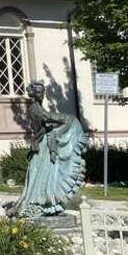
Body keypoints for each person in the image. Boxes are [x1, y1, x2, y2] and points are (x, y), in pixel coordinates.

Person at [6, 81, 87, 217]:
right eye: (38, 92)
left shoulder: (38, 107)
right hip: (41, 145)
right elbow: (48, 117)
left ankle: (46, 204)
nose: (41, 95)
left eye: (43, 92)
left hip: (44, 144)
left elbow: (47, 122)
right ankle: (36, 203)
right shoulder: (34, 108)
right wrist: (68, 118)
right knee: (40, 174)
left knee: (46, 174)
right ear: (33, 94)